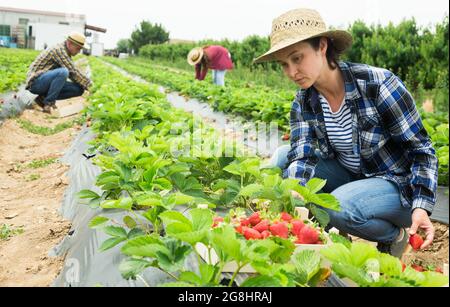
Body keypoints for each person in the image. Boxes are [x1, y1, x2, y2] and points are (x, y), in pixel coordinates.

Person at [254, 8, 437, 258]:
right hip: (352, 176)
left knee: (337, 206)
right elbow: (301, 155)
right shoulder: (304, 102)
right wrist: (294, 190)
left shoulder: (378, 84)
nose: (291, 72)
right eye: (284, 64)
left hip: (398, 187)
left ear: (322, 46)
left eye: (297, 58)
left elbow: (422, 151)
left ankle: (394, 237)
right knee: (283, 158)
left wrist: (422, 206)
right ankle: (326, 238)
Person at [26, 32, 92, 113]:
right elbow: (73, 72)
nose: (79, 52)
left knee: (79, 89)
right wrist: (91, 86)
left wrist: (85, 85)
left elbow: (74, 72)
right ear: (69, 43)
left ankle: (43, 98)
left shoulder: (65, 51)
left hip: (45, 81)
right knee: (63, 72)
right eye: (78, 48)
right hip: (35, 83)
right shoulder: (59, 50)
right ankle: (48, 104)